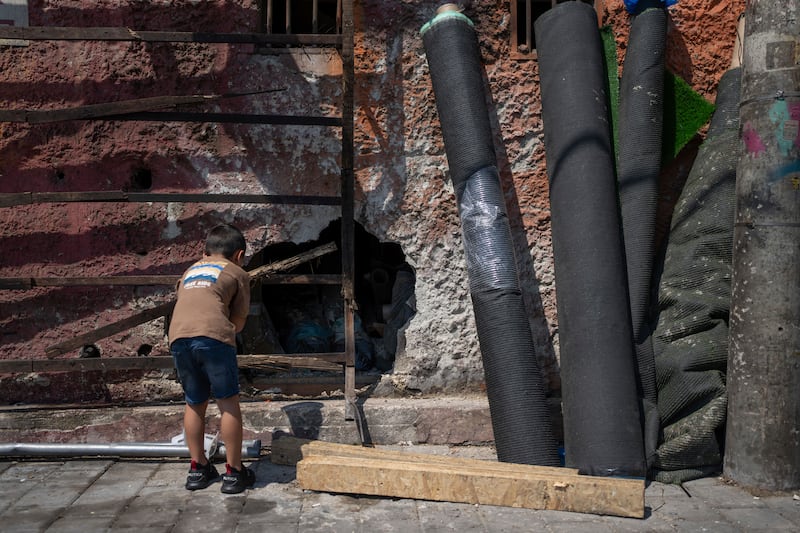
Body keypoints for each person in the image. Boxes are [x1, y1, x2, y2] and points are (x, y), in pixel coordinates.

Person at [168, 223, 256, 494]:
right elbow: (238, 323)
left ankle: (197, 469)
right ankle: (234, 472)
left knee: (195, 403)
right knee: (228, 402)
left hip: (178, 338)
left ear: (204, 252)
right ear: (239, 255)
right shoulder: (237, 272)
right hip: (214, 338)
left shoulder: (189, 271)